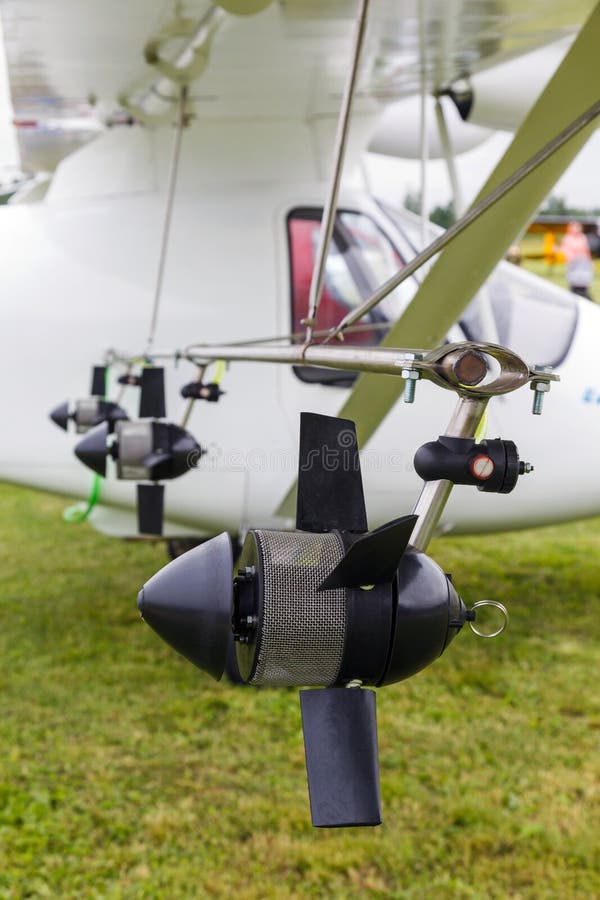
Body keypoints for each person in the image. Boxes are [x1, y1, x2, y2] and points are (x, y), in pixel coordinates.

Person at [561, 221, 594, 300]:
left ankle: (584, 295)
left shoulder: (582, 237)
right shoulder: (567, 238)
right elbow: (565, 250)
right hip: (573, 263)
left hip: (583, 262)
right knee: (574, 282)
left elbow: (586, 249)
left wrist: (589, 261)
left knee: (584, 281)